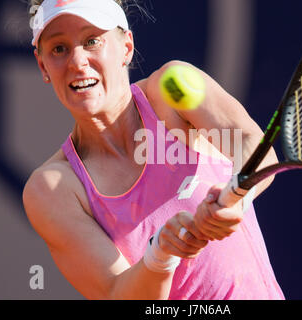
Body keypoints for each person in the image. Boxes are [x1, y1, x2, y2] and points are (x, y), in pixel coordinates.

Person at [22, 0, 284, 300]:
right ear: (43, 66)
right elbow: (116, 293)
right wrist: (160, 255)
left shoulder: (172, 91)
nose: (77, 61)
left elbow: (253, 146)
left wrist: (238, 196)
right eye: (59, 49)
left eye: (92, 41)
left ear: (126, 47)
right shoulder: (52, 189)